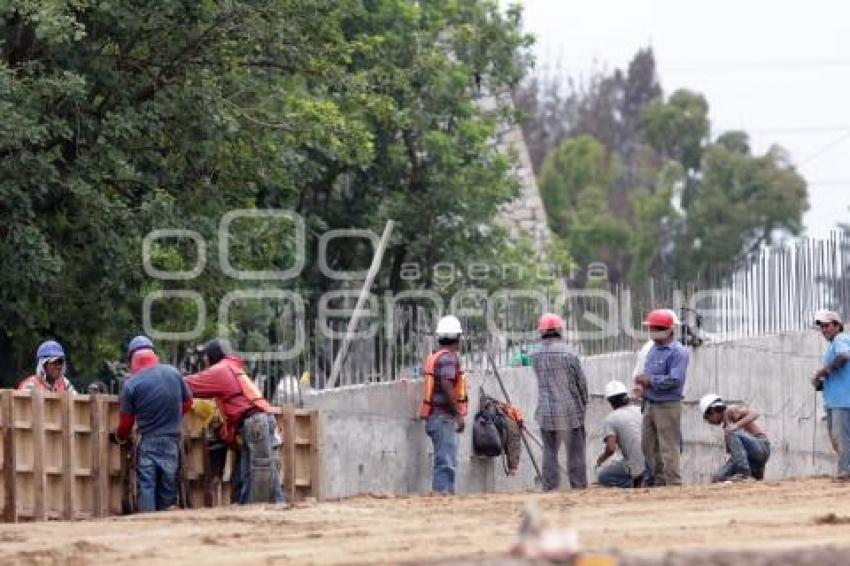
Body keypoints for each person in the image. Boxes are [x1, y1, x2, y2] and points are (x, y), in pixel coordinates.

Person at [185, 339, 284, 504]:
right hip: (259, 422)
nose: (205, 362)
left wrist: (164, 377)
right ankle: (269, 507)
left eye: (206, 358)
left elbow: (187, 385)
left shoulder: (221, 370)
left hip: (254, 422)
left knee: (257, 473)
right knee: (257, 471)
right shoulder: (234, 369)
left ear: (212, 357)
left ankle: (258, 511)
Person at [113, 335, 193, 512]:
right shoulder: (173, 373)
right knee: (168, 484)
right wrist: (170, 416)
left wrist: (118, 437)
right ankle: (165, 525)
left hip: (148, 442)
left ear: (132, 359)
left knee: (147, 485)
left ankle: (146, 523)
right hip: (172, 441)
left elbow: (126, 422)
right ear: (153, 354)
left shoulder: (131, 385)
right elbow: (188, 403)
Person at [531, 313, 588, 490]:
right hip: (570, 412)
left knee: (549, 453)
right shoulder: (569, 353)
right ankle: (578, 487)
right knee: (575, 453)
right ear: (559, 330)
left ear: (541, 331)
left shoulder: (535, 355)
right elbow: (581, 382)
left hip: (546, 412)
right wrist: (583, 401)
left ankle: (549, 487)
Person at [634, 308, 689, 487]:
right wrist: (642, 385)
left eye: (656, 328)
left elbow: (675, 379)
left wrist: (650, 381)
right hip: (650, 403)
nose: (652, 331)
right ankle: (659, 480)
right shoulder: (653, 349)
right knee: (648, 445)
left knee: (668, 446)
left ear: (667, 329)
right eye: (651, 328)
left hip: (667, 405)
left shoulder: (678, 352)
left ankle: (673, 483)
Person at [419, 315, 468, 494]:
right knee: (446, 461)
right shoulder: (448, 358)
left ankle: (443, 495)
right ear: (456, 337)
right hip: (442, 417)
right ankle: (442, 495)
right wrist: (458, 414)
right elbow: (447, 384)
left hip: (434, 416)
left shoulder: (435, 356)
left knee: (444, 458)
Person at [812, 309, 850, 480]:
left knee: (841, 437)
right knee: (837, 438)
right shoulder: (832, 346)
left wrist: (824, 371)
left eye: (827, 326)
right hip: (834, 401)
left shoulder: (841, 339)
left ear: (837, 325)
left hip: (843, 400)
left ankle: (845, 470)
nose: (824, 330)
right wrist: (820, 382)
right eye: (822, 327)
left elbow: (844, 356)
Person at [699, 394, 770, 482]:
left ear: (713, 411)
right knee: (718, 477)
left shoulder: (731, 410)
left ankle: (744, 474)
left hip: (761, 447)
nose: (708, 421)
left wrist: (736, 425)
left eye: (707, 417)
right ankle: (750, 475)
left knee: (731, 432)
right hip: (750, 458)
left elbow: (754, 414)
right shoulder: (726, 426)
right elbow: (737, 453)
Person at [596, 381, 644, 488]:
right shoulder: (641, 410)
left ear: (610, 401)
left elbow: (611, 448)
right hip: (653, 463)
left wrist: (600, 459)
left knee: (603, 476)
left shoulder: (611, 419)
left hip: (635, 465)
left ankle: (635, 484)